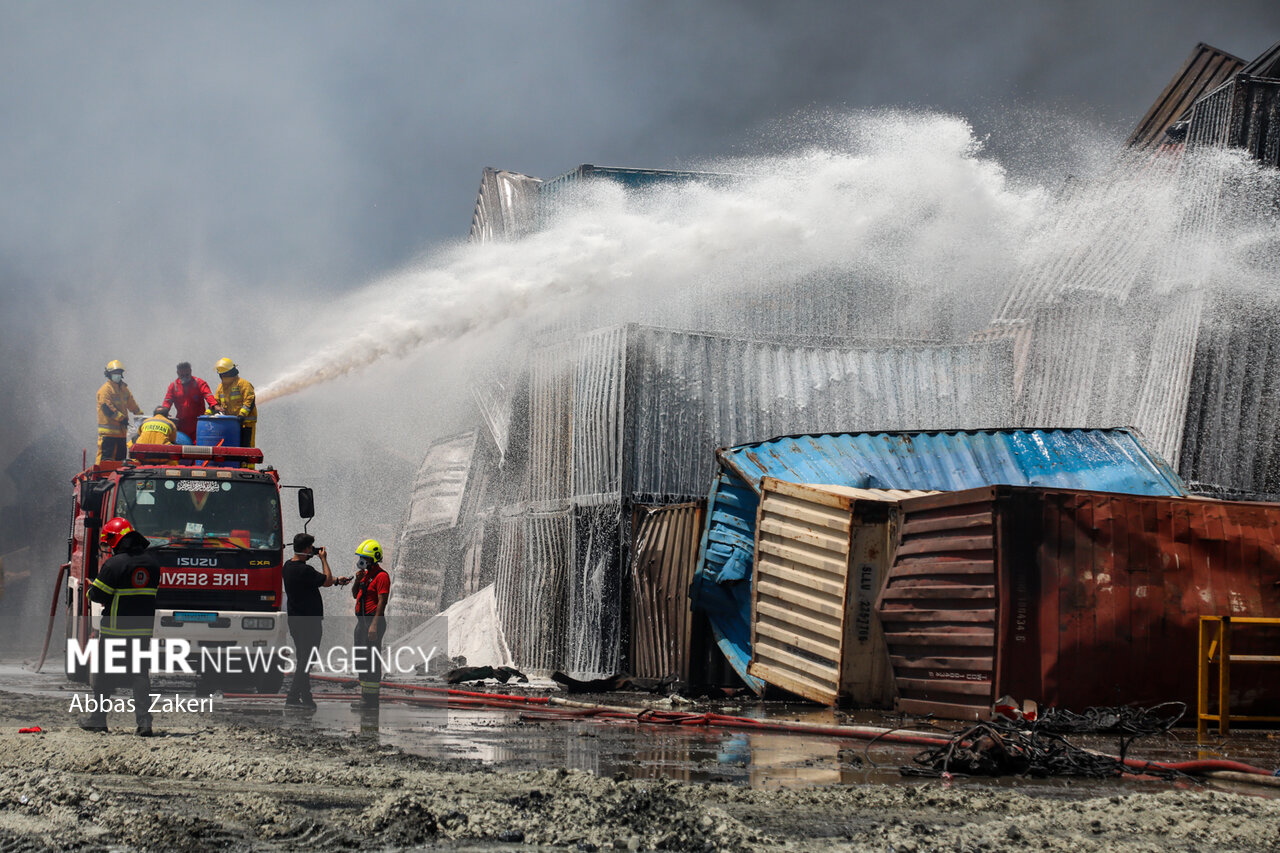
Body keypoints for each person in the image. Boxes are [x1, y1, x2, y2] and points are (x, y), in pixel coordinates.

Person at [79, 517, 160, 736]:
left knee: (104, 676)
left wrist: (89, 588)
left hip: (115, 630)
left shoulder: (114, 564)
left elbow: (97, 594)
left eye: (109, 543)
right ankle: (144, 723)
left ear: (116, 540)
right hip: (142, 630)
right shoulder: (153, 564)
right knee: (140, 674)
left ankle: (98, 719)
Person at [282, 533, 350, 709]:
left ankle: (306, 697)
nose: (313, 550)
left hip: (295, 621)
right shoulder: (305, 570)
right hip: (309, 623)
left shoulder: (288, 566)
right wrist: (324, 559)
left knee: (304, 658)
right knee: (307, 659)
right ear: (306, 549)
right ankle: (292, 696)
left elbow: (322, 581)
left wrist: (337, 581)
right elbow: (325, 579)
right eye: (311, 548)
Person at [350, 539, 390, 710]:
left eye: (364, 558)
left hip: (373, 621)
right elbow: (354, 595)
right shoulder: (365, 576)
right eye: (360, 557)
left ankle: (371, 700)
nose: (361, 560)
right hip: (362, 622)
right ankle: (365, 696)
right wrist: (357, 581)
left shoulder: (382, 576)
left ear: (373, 559)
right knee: (361, 658)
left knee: (371, 660)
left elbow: (382, 602)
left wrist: (374, 625)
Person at [96, 360, 142, 464]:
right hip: (108, 434)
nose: (117, 375)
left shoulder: (124, 389)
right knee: (106, 460)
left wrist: (141, 416)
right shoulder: (105, 390)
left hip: (121, 433)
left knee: (121, 461)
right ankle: (100, 476)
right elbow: (107, 408)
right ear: (108, 374)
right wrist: (122, 418)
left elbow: (132, 404)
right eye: (114, 373)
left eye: (118, 373)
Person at [160, 362, 220, 441]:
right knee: (181, 445)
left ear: (191, 371)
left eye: (187, 375)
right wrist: (164, 411)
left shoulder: (199, 383)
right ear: (177, 373)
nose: (185, 377)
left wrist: (214, 405)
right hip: (181, 423)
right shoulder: (173, 386)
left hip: (198, 423)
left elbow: (208, 395)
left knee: (197, 447)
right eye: (182, 376)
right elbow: (168, 400)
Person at [211, 357, 257, 449]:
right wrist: (207, 415)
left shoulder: (243, 384)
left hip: (245, 424)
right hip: (230, 424)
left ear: (225, 374)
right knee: (231, 450)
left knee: (246, 450)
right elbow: (216, 404)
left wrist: (241, 415)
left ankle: (247, 464)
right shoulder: (221, 387)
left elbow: (249, 401)